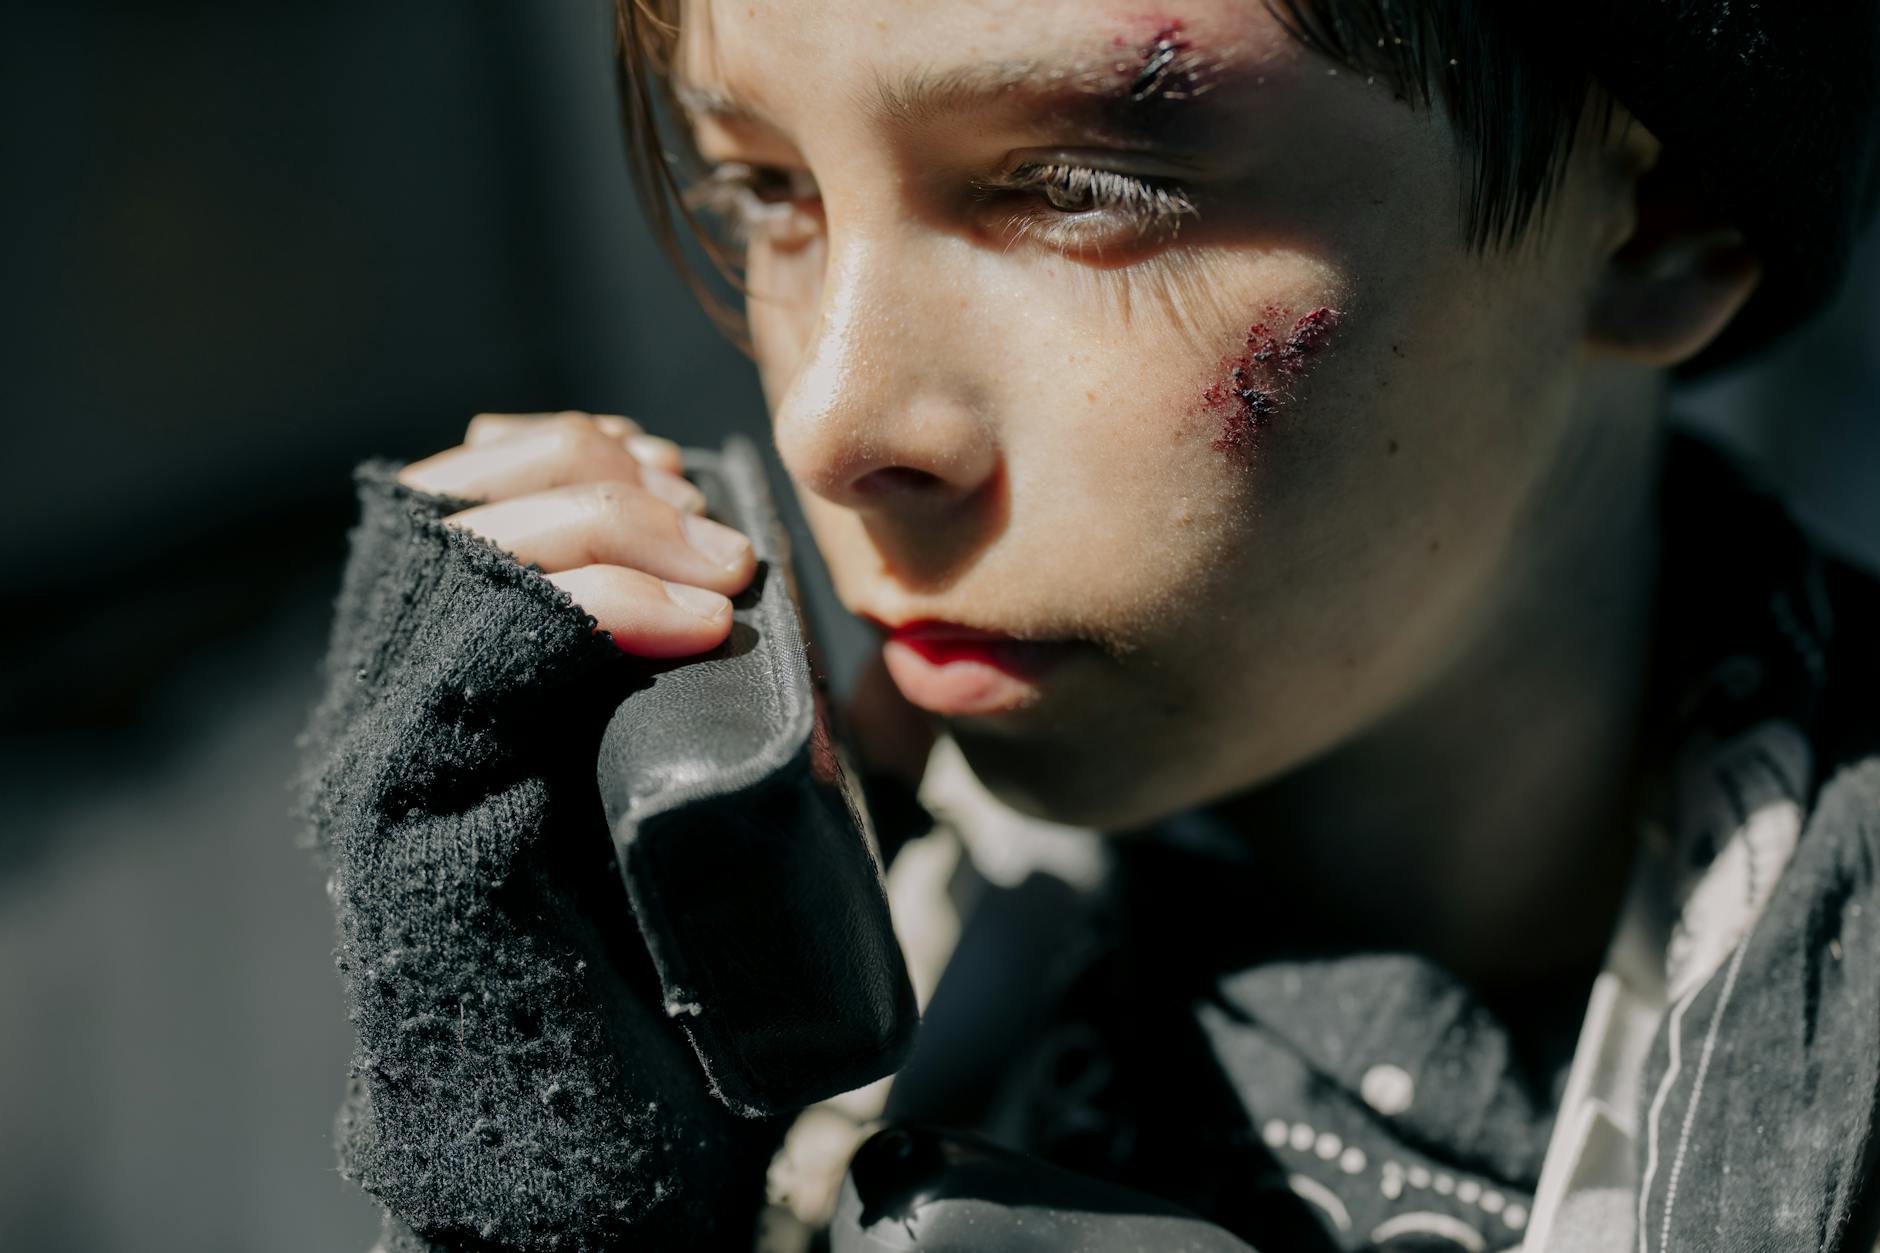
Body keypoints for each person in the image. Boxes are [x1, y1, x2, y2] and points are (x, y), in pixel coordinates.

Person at [297, 2, 1880, 1250]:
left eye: (1081, 186)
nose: (834, 423)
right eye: (765, 190)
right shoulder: (832, 947)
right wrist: (551, 1185)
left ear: (1660, 222)